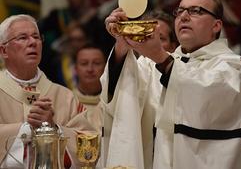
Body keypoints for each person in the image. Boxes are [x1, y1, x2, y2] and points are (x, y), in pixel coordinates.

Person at [102, 0, 241, 169]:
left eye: (196, 11)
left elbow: (205, 94)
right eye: (179, 11)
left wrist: (160, 57)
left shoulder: (235, 67)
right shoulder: (155, 64)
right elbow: (122, 90)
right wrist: (122, 42)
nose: (184, 16)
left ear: (216, 25)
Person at [0, 14, 99, 168]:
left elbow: (90, 150)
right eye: (22, 38)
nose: (32, 42)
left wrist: (54, 129)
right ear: (3, 50)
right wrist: (26, 129)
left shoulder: (65, 96)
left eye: (36, 37)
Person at [102, 10, 178, 169]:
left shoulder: (184, 70)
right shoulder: (137, 69)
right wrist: (121, 44)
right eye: (144, 35)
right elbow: (112, 96)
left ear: (173, 45)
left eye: (160, 38)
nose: (151, 42)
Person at [73, 42, 106, 111]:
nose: (90, 69)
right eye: (84, 63)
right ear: (75, 68)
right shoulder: (66, 99)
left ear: (105, 68)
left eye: (96, 63)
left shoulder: (114, 101)